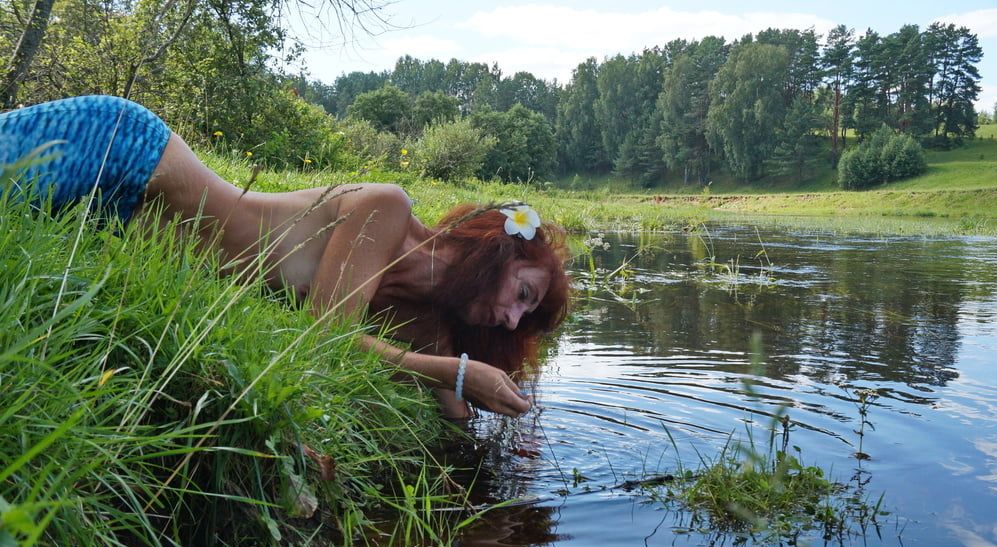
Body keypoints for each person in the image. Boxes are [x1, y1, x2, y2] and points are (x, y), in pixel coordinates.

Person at [0, 95, 570, 418]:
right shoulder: (386, 209)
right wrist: (458, 371)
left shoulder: (426, 314)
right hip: (127, 151)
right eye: (524, 295)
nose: (514, 318)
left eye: (525, 319)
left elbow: (456, 414)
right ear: (496, 249)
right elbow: (324, 336)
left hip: (115, 222)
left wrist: (514, 420)